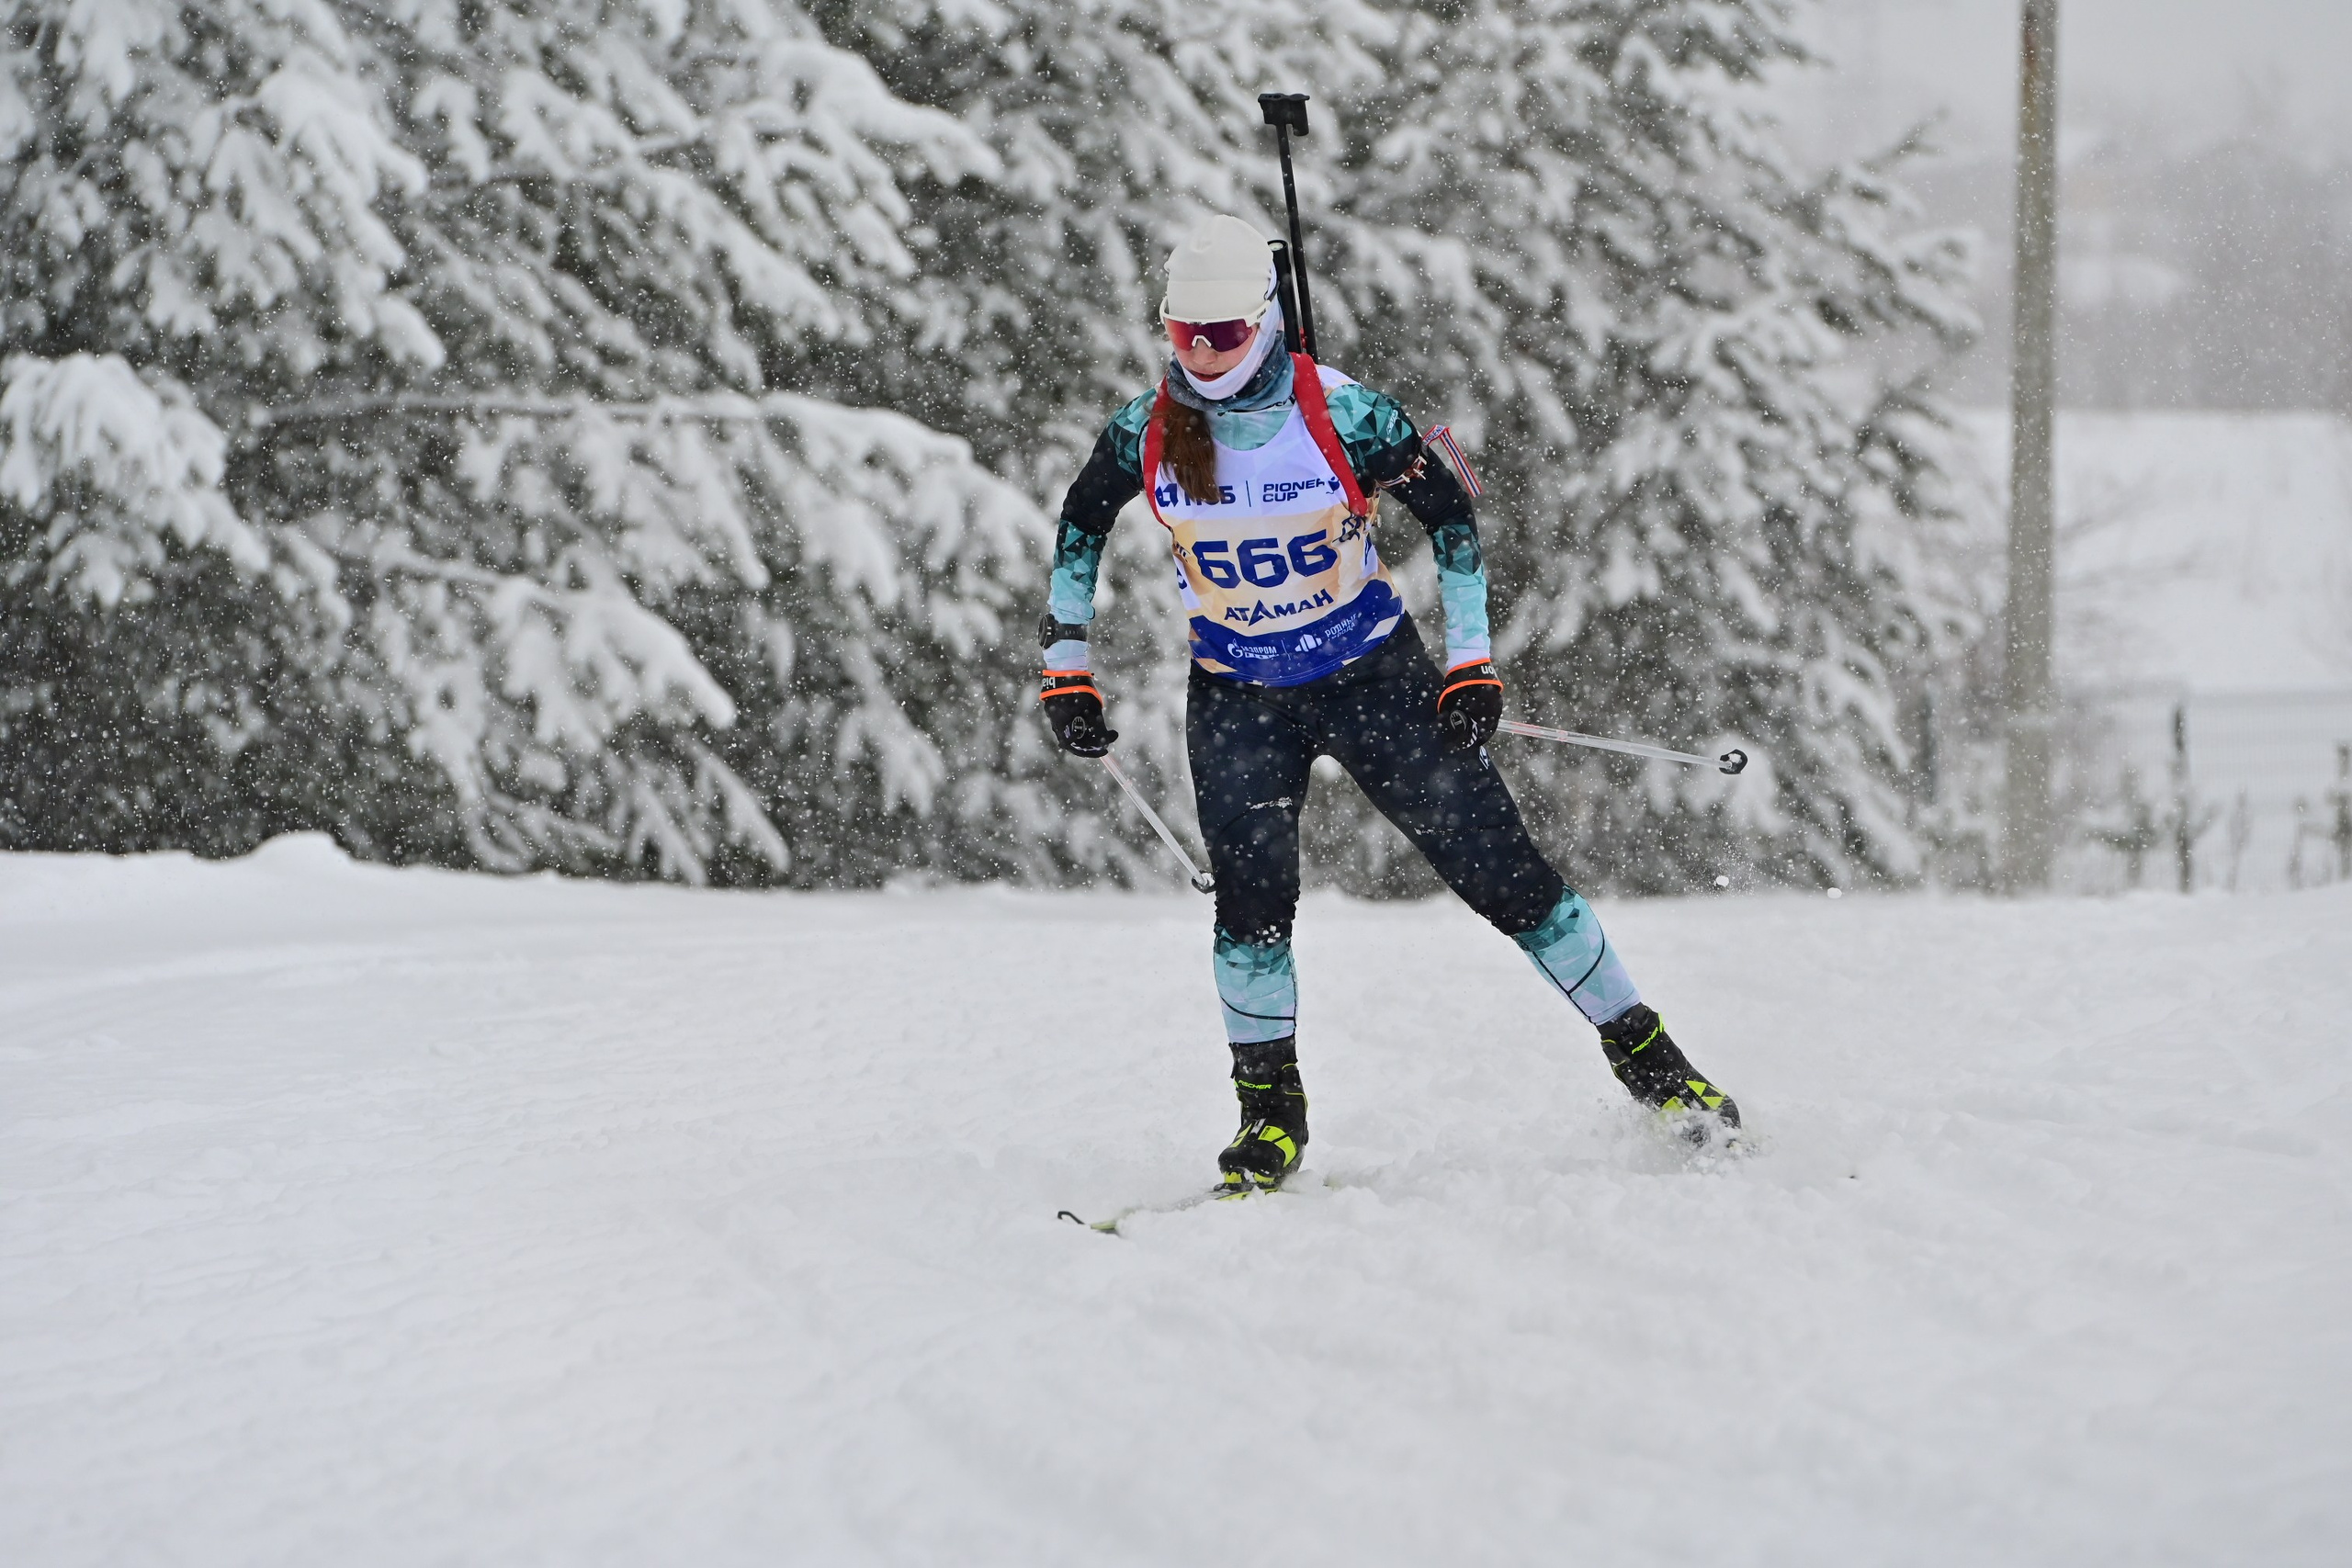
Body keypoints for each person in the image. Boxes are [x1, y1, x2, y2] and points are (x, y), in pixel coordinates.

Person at [1038, 214, 1739, 1192]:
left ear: (1264, 321)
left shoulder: (1347, 414)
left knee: (1508, 880)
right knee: (1250, 913)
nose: (1201, 353)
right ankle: (1268, 1117)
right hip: (1239, 698)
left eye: (1223, 334)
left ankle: (1658, 1067)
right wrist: (1066, 667)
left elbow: (1451, 514)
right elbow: (1080, 525)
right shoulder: (1145, 431)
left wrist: (1472, 665)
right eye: (1182, 334)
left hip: (1374, 680)